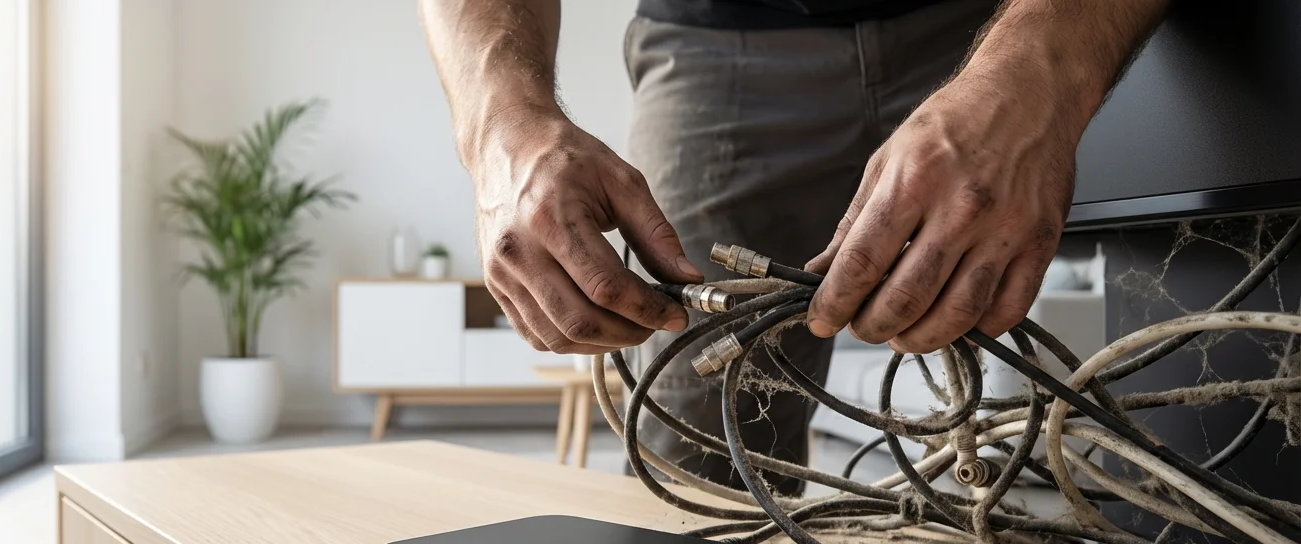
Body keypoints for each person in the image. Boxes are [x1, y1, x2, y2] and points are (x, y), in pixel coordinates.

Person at [420, 0, 1169, 493]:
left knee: (1169, 419)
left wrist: (1036, 74)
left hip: (1014, 19)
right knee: (698, 443)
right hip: (718, 38)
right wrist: (502, 129)